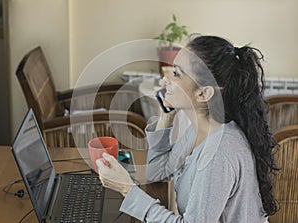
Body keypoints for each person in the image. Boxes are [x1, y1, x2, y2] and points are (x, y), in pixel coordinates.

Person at [96, 35, 278, 222]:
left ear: (203, 93)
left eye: (176, 73)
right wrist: (166, 118)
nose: (165, 80)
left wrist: (127, 188)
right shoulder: (201, 128)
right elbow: (160, 169)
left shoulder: (219, 152)